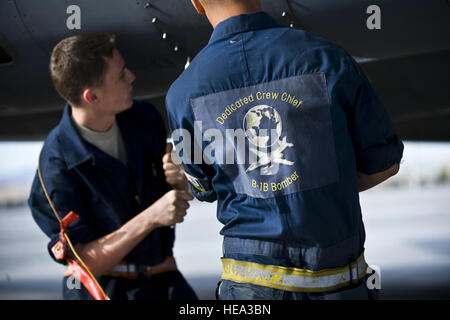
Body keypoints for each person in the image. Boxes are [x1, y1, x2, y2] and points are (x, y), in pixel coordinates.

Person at [165, 0, 404, 300]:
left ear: (197, 3)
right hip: (339, 284)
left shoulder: (182, 93)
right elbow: (385, 163)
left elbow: (204, 188)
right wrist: (314, 182)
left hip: (249, 291)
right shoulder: (328, 58)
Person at [28, 34, 197, 300]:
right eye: (120, 75)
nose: (131, 77)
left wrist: (181, 177)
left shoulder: (144, 119)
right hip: (105, 291)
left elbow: (175, 195)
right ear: (92, 96)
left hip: (164, 283)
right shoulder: (55, 166)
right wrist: (151, 217)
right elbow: (84, 261)